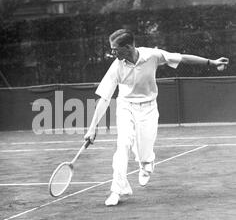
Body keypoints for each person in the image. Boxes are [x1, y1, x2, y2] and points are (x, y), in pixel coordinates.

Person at [84, 29, 229, 206]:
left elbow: (182, 58)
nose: (112, 53)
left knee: (144, 154)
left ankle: (147, 162)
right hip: (125, 107)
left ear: (128, 47)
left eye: (115, 49)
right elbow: (104, 98)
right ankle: (118, 190)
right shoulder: (116, 66)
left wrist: (211, 62)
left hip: (148, 109)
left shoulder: (153, 55)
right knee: (122, 145)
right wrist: (92, 129)